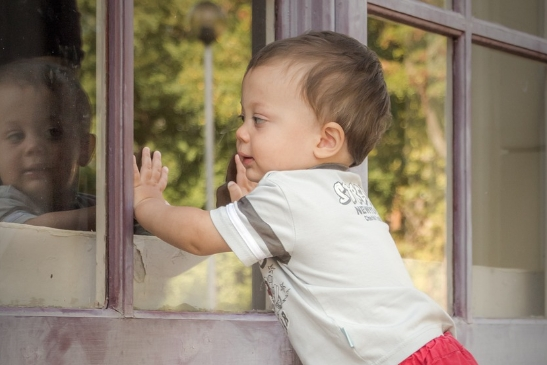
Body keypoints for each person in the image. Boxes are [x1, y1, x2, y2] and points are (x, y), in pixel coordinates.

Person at [133, 31, 478, 364]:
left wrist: (148, 202)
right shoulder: (341, 191)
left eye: (259, 120)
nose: (240, 132)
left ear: (326, 140)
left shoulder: (288, 194)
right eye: (243, 118)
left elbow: (198, 236)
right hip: (432, 349)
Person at [0, 60, 96, 231]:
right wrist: (119, 213)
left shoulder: (91, 206)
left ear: (84, 147)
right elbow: (31, 232)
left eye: (53, 132)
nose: (33, 146)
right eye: (16, 136)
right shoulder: (3, 202)